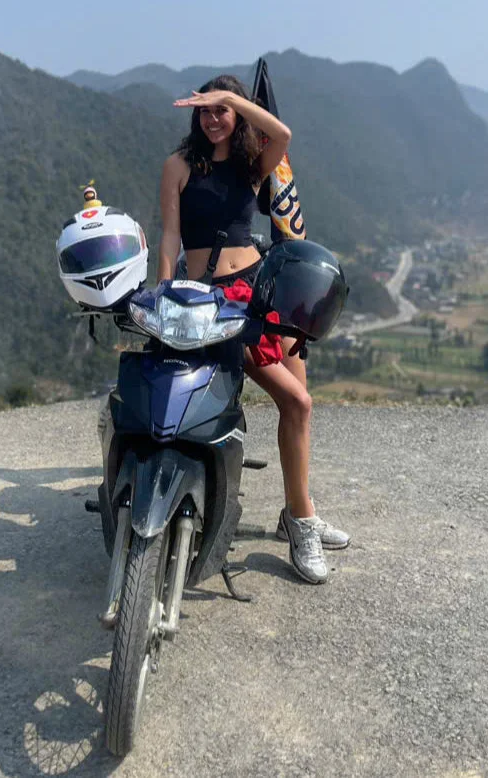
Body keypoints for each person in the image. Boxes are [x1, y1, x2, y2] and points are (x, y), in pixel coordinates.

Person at [158, 75, 350, 585]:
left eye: (222, 111)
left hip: (255, 293)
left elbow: (282, 135)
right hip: (205, 300)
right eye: (205, 111)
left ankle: (298, 513)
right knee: (295, 403)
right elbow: (170, 237)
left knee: (299, 400)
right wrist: (162, 294)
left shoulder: (251, 165)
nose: (213, 119)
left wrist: (235, 100)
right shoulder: (178, 166)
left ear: (238, 114)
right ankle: (299, 521)